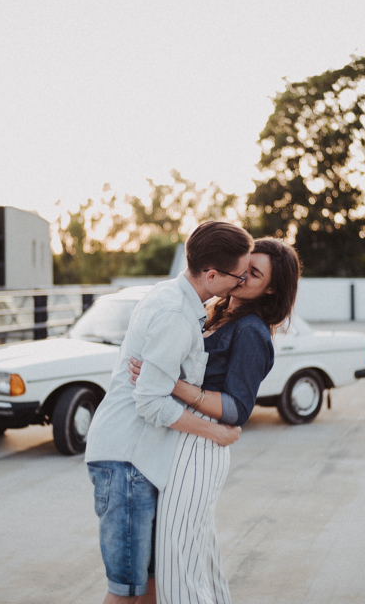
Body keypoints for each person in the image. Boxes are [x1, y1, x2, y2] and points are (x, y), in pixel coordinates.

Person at [85, 221, 254, 604]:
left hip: (140, 461)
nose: (242, 282)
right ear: (212, 275)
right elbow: (150, 402)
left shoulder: (176, 297)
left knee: (151, 581)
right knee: (126, 591)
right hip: (126, 459)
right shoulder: (176, 314)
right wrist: (217, 432)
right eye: (239, 275)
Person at [131, 238, 302, 604]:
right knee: (197, 559)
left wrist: (173, 385)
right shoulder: (216, 311)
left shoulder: (252, 330)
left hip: (201, 447)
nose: (242, 276)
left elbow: (237, 408)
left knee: (177, 564)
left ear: (270, 287)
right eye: (243, 267)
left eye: (254, 274)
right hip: (181, 439)